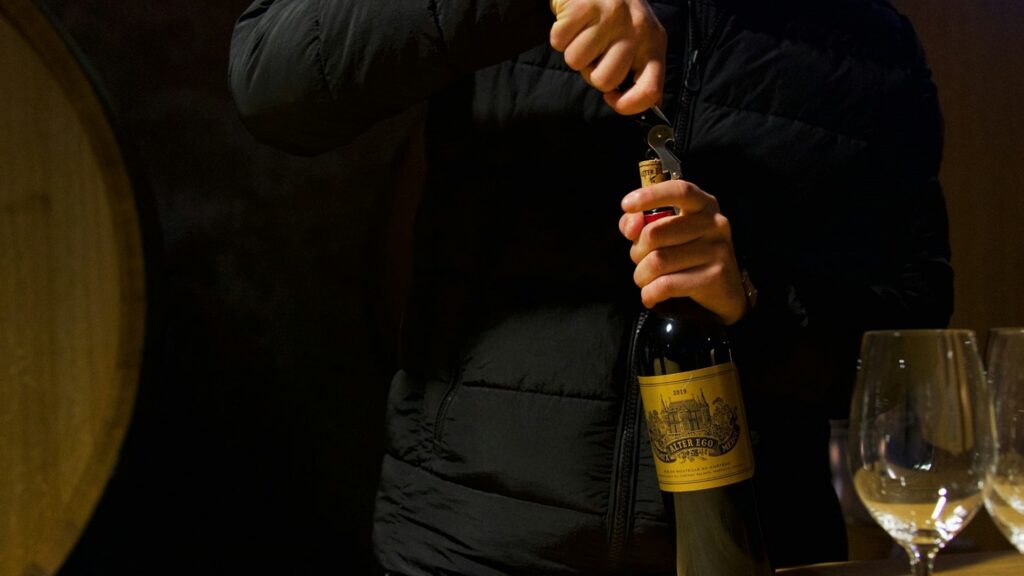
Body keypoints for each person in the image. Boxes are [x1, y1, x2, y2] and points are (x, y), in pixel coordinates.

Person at [228, 0, 953, 573]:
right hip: (471, 548)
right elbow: (269, 77)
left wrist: (752, 304)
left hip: (750, 552)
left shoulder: (871, 42)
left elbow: (909, 342)